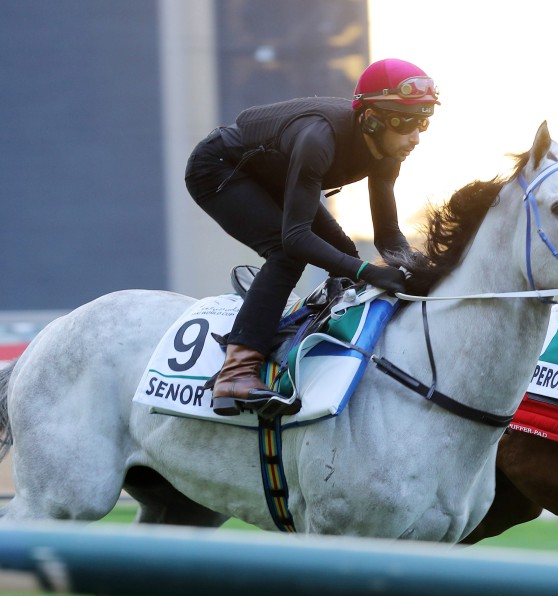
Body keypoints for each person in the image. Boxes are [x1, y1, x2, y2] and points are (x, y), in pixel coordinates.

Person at [184, 58, 439, 417]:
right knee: (287, 254)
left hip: (271, 173)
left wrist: (424, 273)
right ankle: (236, 372)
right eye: (407, 123)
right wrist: (369, 271)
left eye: (423, 123)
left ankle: (314, 329)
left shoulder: (389, 151)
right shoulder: (318, 137)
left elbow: (388, 237)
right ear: (372, 118)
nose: (415, 137)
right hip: (219, 168)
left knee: (345, 253)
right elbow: (296, 238)